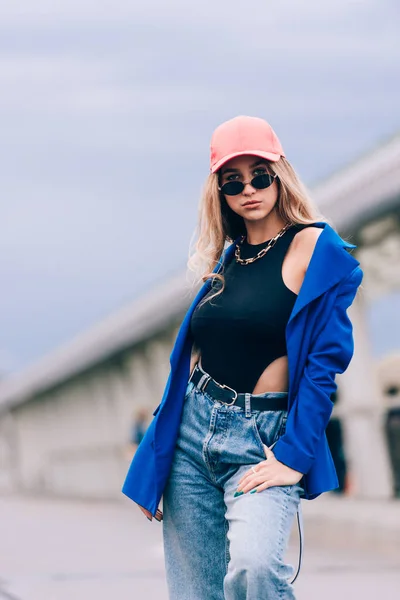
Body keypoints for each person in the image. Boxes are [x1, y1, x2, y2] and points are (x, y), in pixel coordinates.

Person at [122, 115, 364, 599]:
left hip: (263, 440)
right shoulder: (226, 258)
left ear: (281, 174)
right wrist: (158, 454)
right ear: (219, 192)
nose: (248, 189)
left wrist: (294, 456)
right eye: (233, 182)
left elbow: (324, 366)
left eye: (260, 175)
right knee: (196, 591)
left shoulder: (315, 248)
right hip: (193, 436)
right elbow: (185, 369)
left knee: (255, 568)